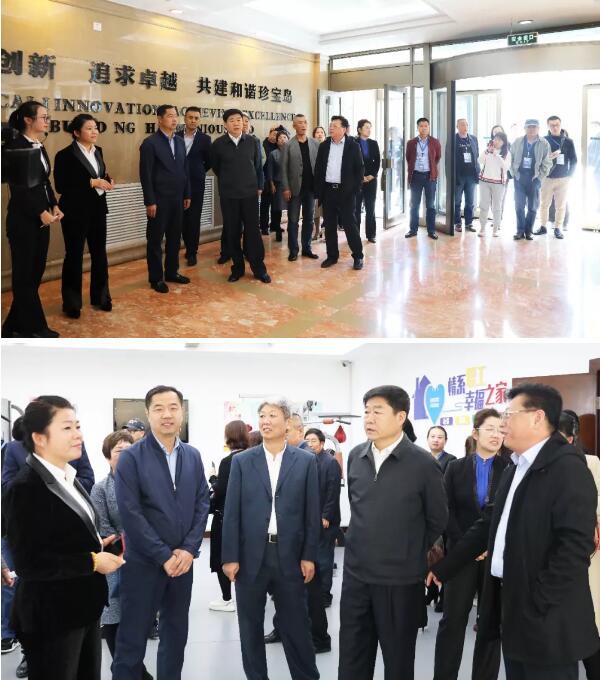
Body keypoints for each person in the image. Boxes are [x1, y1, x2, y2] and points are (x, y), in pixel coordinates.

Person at [429, 383, 599, 680]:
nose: (503, 424)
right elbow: (488, 524)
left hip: (545, 617)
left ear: (537, 417)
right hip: (511, 607)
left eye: (509, 415)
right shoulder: (515, 467)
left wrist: (537, 601)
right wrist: (444, 568)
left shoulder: (567, 468)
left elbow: (574, 547)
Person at [3, 396, 124, 680]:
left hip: (84, 608)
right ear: (39, 438)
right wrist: (92, 561)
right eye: (67, 428)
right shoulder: (25, 489)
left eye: (78, 426)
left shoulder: (69, 479)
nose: (78, 435)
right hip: (52, 616)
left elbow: (63, 537)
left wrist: (98, 545)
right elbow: (30, 563)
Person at [339, 385, 448, 680]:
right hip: (356, 578)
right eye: (366, 411)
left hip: (400, 581)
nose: (369, 418)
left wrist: (406, 550)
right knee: (351, 659)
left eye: (378, 411)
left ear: (400, 417)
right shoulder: (356, 456)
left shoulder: (423, 463)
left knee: (398, 662)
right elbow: (358, 508)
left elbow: (437, 518)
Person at [113, 385, 210, 680]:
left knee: (176, 635)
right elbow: (130, 513)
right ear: (148, 413)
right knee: (132, 639)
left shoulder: (192, 455)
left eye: (173, 407)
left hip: (182, 564)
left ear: (182, 411)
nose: (167, 414)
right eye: (158, 408)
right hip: (143, 564)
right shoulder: (131, 457)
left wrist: (188, 549)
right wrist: (163, 555)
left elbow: (202, 503)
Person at [222, 399, 320, 680]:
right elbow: (232, 513)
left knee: (296, 626)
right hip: (250, 556)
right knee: (250, 627)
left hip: (290, 556)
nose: (265, 421)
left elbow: (311, 513)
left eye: (272, 415)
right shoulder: (242, 461)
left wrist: (309, 555)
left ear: (287, 422)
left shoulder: (305, 461)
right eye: (262, 416)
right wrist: (230, 557)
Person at [433, 408, 509, 680]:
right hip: (461, 556)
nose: (496, 435)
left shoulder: (510, 468)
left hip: (494, 557)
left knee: (490, 624)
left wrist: (486, 546)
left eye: (501, 430)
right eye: (490, 429)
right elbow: (446, 510)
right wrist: (468, 545)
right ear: (475, 433)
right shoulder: (456, 468)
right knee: (452, 621)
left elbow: (508, 515)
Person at [264, 416, 332, 654]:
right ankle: (282, 629)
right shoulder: (282, 456)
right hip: (283, 538)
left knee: (310, 592)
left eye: (287, 429)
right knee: (282, 590)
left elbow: (314, 500)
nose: (280, 433)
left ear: (298, 431)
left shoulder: (307, 458)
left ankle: (319, 638)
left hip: (302, 537)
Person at [89, 431, 154, 680]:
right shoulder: (100, 489)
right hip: (115, 563)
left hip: (146, 561)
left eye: (129, 449)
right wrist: (135, 536)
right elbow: (105, 532)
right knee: (114, 619)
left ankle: (134, 668)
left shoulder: (147, 484)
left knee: (139, 620)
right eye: (119, 450)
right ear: (108, 457)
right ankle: (125, 670)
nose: (125, 454)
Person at [1, 101, 63, 338]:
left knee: (34, 273)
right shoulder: (15, 147)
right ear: (28, 120)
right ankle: (34, 328)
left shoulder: (38, 144)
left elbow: (44, 181)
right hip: (23, 220)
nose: (47, 121)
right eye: (43, 117)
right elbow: (20, 188)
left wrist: (54, 204)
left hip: (41, 217)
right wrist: (40, 211)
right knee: (24, 275)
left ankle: (11, 326)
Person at [54, 113, 114, 319]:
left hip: (98, 209)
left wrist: (107, 180)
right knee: (74, 255)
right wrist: (92, 182)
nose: (94, 131)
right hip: (74, 212)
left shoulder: (99, 151)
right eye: (89, 128)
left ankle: (101, 297)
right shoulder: (64, 155)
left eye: (96, 127)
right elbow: (61, 186)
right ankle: (71, 303)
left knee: (99, 254)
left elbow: (100, 174)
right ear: (76, 132)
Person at [558, 411, 600, 680]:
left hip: (590, 554)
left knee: (590, 619)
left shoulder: (590, 462)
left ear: (572, 437)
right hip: (557, 558)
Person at [210, 108, 271, 284]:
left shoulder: (252, 142)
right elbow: (216, 167)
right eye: (232, 120)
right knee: (232, 232)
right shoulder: (218, 144)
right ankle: (237, 268)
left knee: (253, 232)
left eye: (239, 120)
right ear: (225, 124)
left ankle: (259, 269)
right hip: (229, 195)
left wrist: (259, 186)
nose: (236, 123)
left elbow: (258, 167)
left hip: (249, 194)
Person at [139, 104, 191, 293]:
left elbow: (185, 169)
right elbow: (145, 174)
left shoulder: (179, 141)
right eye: (169, 116)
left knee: (175, 238)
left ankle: (172, 272)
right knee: (155, 240)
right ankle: (156, 278)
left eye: (175, 116)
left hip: (178, 198)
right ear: (160, 119)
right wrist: (150, 201)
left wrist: (187, 193)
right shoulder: (150, 143)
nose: (174, 119)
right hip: (159, 200)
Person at [208, 420, 250, 613]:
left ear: (228, 437)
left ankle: (227, 599)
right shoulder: (254, 458)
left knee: (221, 557)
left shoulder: (227, 462)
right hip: (249, 519)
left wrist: (213, 478)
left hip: (225, 518)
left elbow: (221, 491)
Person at [314, 115, 365, 270]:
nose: (331, 128)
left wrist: (354, 190)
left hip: (346, 193)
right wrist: (319, 192)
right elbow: (319, 169)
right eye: (330, 125)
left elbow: (360, 169)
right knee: (329, 226)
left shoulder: (353, 145)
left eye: (335, 126)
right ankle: (332, 256)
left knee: (350, 225)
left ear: (344, 129)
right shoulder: (324, 146)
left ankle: (358, 256)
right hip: (329, 191)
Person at [304, 427, 341, 607]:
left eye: (313, 441)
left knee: (324, 559)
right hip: (310, 518)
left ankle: (325, 595)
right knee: (312, 557)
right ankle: (314, 593)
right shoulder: (307, 461)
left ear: (322, 443)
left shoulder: (330, 462)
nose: (310, 444)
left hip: (326, 519)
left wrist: (326, 515)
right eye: (307, 441)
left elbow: (333, 492)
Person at [280, 114, 320, 261]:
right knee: (293, 221)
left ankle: (307, 248)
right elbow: (283, 169)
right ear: (294, 126)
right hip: (294, 189)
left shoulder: (315, 143)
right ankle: (293, 250)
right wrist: (286, 188)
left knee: (309, 220)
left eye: (305, 122)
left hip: (311, 189)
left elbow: (319, 166)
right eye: (299, 123)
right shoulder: (288, 145)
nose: (303, 125)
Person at [175, 106, 211, 265]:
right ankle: (184, 246)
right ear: (185, 119)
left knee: (194, 218)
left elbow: (209, 161)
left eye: (196, 118)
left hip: (196, 183)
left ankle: (192, 252)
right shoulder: (175, 136)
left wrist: (199, 171)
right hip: (177, 183)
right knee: (180, 217)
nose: (193, 120)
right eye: (190, 117)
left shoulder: (205, 139)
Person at [535, 116, 578, 240]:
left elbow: (574, 160)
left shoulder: (568, 141)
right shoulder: (543, 140)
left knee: (561, 205)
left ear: (560, 125)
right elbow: (538, 159)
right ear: (548, 126)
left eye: (557, 125)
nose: (555, 127)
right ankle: (543, 226)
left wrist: (570, 175)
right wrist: (549, 157)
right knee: (544, 204)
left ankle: (558, 228)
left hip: (563, 179)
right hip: (547, 178)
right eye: (552, 125)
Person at [510, 119, 552, 241]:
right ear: (525, 128)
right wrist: (515, 174)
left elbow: (547, 163)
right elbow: (510, 158)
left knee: (533, 207)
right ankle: (520, 231)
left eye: (534, 127)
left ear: (538, 129)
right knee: (519, 206)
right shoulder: (518, 141)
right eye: (529, 127)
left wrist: (539, 178)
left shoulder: (544, 143)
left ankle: (528, 231)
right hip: (520, 177)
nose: (531, 129)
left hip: (534, 178)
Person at [405, 117, 442, 240]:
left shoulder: (435, 142)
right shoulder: (411, 143)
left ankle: (431, 231)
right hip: (415, 176)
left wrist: (430, 168)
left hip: (430, 177)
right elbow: (409, 158)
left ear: (429, 127)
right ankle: (413, 229)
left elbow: (437, 158)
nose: (424, 128)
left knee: (430, 205)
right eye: (421, 126)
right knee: (414, 204)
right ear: (418, 128)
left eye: (426, 126)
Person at [478, 132, 511, 237]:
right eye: (495, 139)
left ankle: (495, 229)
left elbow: (506, 167)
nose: (496, 141)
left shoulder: (507, 153)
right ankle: (482, 228)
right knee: (484, 205)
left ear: (504, 142)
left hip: (498, 183)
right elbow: (479, 160)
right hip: (484, 181)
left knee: (497, 207)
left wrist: (497, 155)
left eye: (499, 140)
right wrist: (488, 151)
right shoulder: (487, 150)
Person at [354, 119, 381, 243]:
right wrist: (360, 177)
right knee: (356, 209)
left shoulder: (373, 143)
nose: (369, 130)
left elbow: (377, 161)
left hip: (371, 180)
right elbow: (351, 162)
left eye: (370, 127)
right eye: (366, 127)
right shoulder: (353, 142)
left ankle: (371, 235)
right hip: (357, 181)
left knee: (371, 208)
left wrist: (372, 175)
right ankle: (355, 235)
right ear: (359, 129)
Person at [453, 119, 480, 233]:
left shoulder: (473, 139)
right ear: (457, 126)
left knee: (470, 201)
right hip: (458, 176)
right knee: (457, 201)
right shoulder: (453, 139)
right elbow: (449, 158)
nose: (465, 126)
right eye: (462, 124)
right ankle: (457, 223)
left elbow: (476, 155)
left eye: (466, 124)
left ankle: (469, 223)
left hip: (471, 176)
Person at [265, 130, 289, 243]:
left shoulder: (292, 152)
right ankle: (277, 229)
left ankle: (292, 228)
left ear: (288, 139)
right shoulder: (273, 154)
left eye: (284, 137)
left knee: (291, 207)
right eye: (280, 138)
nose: (282, 140)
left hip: (290, 184)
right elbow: (269, 171)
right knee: (277, 208)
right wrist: (271, 184)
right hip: (278, 184)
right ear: (277, 141)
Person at [260, 127, 280, 235]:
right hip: (265, 179)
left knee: (276, 204)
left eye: (277, 135)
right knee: (265, 204)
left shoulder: (279, 146)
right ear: (269, 134)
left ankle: (275, 225)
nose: (275, 136)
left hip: (276, 179)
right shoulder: (263, 145)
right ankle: (264, 227)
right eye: (273, 134)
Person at [312, 126, 327, 240]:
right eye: (317, 132)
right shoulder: (311, 147)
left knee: (327, 210)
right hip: (314, 183)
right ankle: (317, 231)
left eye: (322, 132)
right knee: (316, 210)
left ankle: (326, 231)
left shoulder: (329, 147)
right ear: (314, 135)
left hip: (327, 183)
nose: (320, 134)